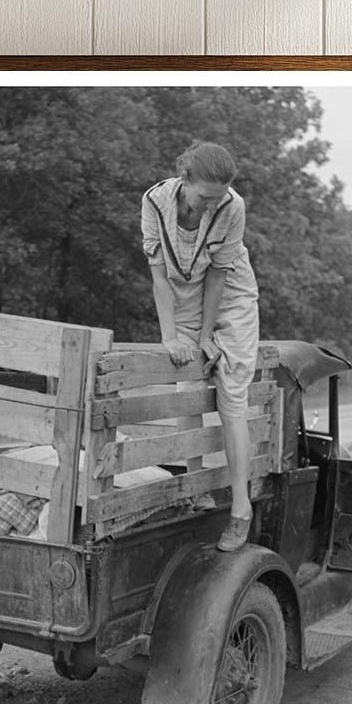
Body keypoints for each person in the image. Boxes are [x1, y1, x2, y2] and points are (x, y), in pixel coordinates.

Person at [140, 141, 261, 551]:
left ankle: (241, 510)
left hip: (231, 294)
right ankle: (195, 490)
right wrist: (170, 336)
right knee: (186, 389)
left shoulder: (232, 207)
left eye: (220, 196)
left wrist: (208, 335)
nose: (212, 205)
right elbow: (159, 276)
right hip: (181, 294)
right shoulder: (155, 203)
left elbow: (219, 276)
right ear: (185, 180)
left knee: (231, 395)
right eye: (205, 196)